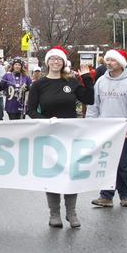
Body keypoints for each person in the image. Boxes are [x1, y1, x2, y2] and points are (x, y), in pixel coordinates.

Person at [25, 47, 95, 228]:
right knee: (53, 174)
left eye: (59, 59)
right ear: (47, 62)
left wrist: (86, 77)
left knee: (71, 174)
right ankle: (54, 213)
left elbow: (89, 99)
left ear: (64, 63)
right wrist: (46, 121)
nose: (56, 62)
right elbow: (30, 110)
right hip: (49, 136)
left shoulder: (71, 82)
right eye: (52, 59)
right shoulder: (39, 84)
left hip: (71, 135)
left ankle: (71, 212)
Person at [86, 49, 127, 208]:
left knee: (120, 165)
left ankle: (125, 195)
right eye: (108, 60)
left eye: (113, 60)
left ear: (121, 64)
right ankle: (106, 196)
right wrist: (90, 124)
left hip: (123, 132)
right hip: (104, 131)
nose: (109, 63)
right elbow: (93, 106)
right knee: (106, 164)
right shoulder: (101, 82)